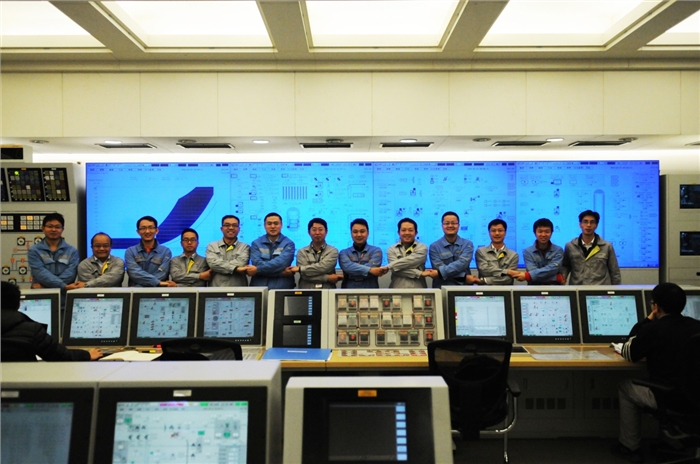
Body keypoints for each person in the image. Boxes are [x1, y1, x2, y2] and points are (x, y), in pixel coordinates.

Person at [612, 283, 700, 463]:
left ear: (656, 306)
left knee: (625, 386)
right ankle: (670, 441)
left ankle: (629, 447)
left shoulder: (653, 329)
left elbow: (629, 352)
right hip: (696, 396)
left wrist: (647, 320)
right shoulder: (696, 326)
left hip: (671, 397)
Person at [1, 281, 103, 361]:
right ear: (19, 304)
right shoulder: (31, 330)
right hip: (23, 380)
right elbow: (61, 356)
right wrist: (88, 355)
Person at [562, 210, 621, 285]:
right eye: (585, 222)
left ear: (596, 225)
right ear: (580, 224)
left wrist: (615, 290)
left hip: (600, 289)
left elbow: (614, 272)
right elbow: (565, 266)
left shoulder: (606, 246)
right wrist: (563, 278)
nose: (588, 225)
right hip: (577, 288)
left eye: (592, 222)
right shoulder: (570, 246)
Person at [27, 213, 79, 290]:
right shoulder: (34, 250)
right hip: (42, 295)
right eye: (50, 226)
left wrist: (46, 287)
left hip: (63, 294)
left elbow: (70, 274)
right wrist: (62, 285)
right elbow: (40, 273)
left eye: (57, 227)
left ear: (62, 229)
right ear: (43, 228)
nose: (53, 230)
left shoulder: (72, 251)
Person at [288, 218, 342, 289]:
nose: (317, 233)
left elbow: (323, 268)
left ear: (326, 232)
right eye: (314, 230)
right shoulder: (302, 252)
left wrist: (300, 269)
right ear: (309, 232)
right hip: (306, 290)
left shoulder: (333, 251)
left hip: (327, 291)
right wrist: (327, 278)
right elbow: (304, 275)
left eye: (320, 229)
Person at [509, 218, 565, 285]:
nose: (543, 235)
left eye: (547, 232)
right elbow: (532, 271)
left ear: (551, 233)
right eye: (540, 232)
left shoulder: (558, 250)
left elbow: (554, 269)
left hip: (554, 288)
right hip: (534, 288)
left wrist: (528, 276)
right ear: (535, 233)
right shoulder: (528, 251)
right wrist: (556, 278)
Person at [124, 215, 176, 287]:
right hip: (136, 293)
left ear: (156, 230)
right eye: (143, 228)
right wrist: (157, 282)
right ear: (138, 232)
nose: (147, 231)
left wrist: (140, 287)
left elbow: (162, 274)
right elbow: (134, 273)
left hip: (157, 292)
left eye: (151, 228)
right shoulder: (130, 251)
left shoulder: (165, 251)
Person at [248, 212, 296, 289]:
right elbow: (256, 263)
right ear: (264, 226)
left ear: (281, 225)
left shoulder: (289, 244)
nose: (273, 226)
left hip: (282, 288)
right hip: (259, 288)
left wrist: (258, 270)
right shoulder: (256, 243)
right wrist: (281, 273)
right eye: (269, 224)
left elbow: (281, 264)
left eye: (276, 223)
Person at [428, 211, 474, 288]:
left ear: (458, 226)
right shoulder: (434, 246)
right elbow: (438, 268)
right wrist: (464, 277)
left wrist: (440, 273)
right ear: (442, 226)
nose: (450, 225)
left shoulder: (467, 244)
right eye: (446, 223)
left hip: (464, 289)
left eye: (453, 223)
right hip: (441, 288)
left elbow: (462, 264)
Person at [468, 219, 518, 285]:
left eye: (500, 230)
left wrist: (483, 281)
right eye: (493, 231)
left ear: (505, 233)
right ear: (489, 233)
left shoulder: (513, 255)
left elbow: (508, 279)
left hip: (505, 290)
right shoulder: (481, 252)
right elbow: (484, 271)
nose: (497, 233)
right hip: (485, 290)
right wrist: (507, 271)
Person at [338, 218, 386, 288]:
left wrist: (351, 273)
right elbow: (348, 268)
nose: (359, 235)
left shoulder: (376, 251)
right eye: (355, 232)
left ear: (368, 233)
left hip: (371, 290)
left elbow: (350, 270)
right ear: (351, 234)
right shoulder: (344, 253)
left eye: (362, 231)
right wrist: (370, 270)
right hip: (348, 291)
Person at [205, 215, 251, 287]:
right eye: (227, 225)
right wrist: (236, 268)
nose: (231, 228)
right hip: (216, 289)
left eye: (234, 225)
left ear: (239, 229)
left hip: (238, 289)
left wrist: (220, 265)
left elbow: (241, 263)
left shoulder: (245, 247)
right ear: (221, 229)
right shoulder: (212, 246)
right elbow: (213, 264)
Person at [386, 218, 430, 288]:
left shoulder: (422, 247)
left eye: (410, 230)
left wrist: (389, 266)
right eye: (403, 230)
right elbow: (395, 270)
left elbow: (411, 261)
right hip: (396, 289)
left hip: (419, 290)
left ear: (416, 233)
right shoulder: (392, 249)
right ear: (398, 232)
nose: (407, 233)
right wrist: (420, 273)